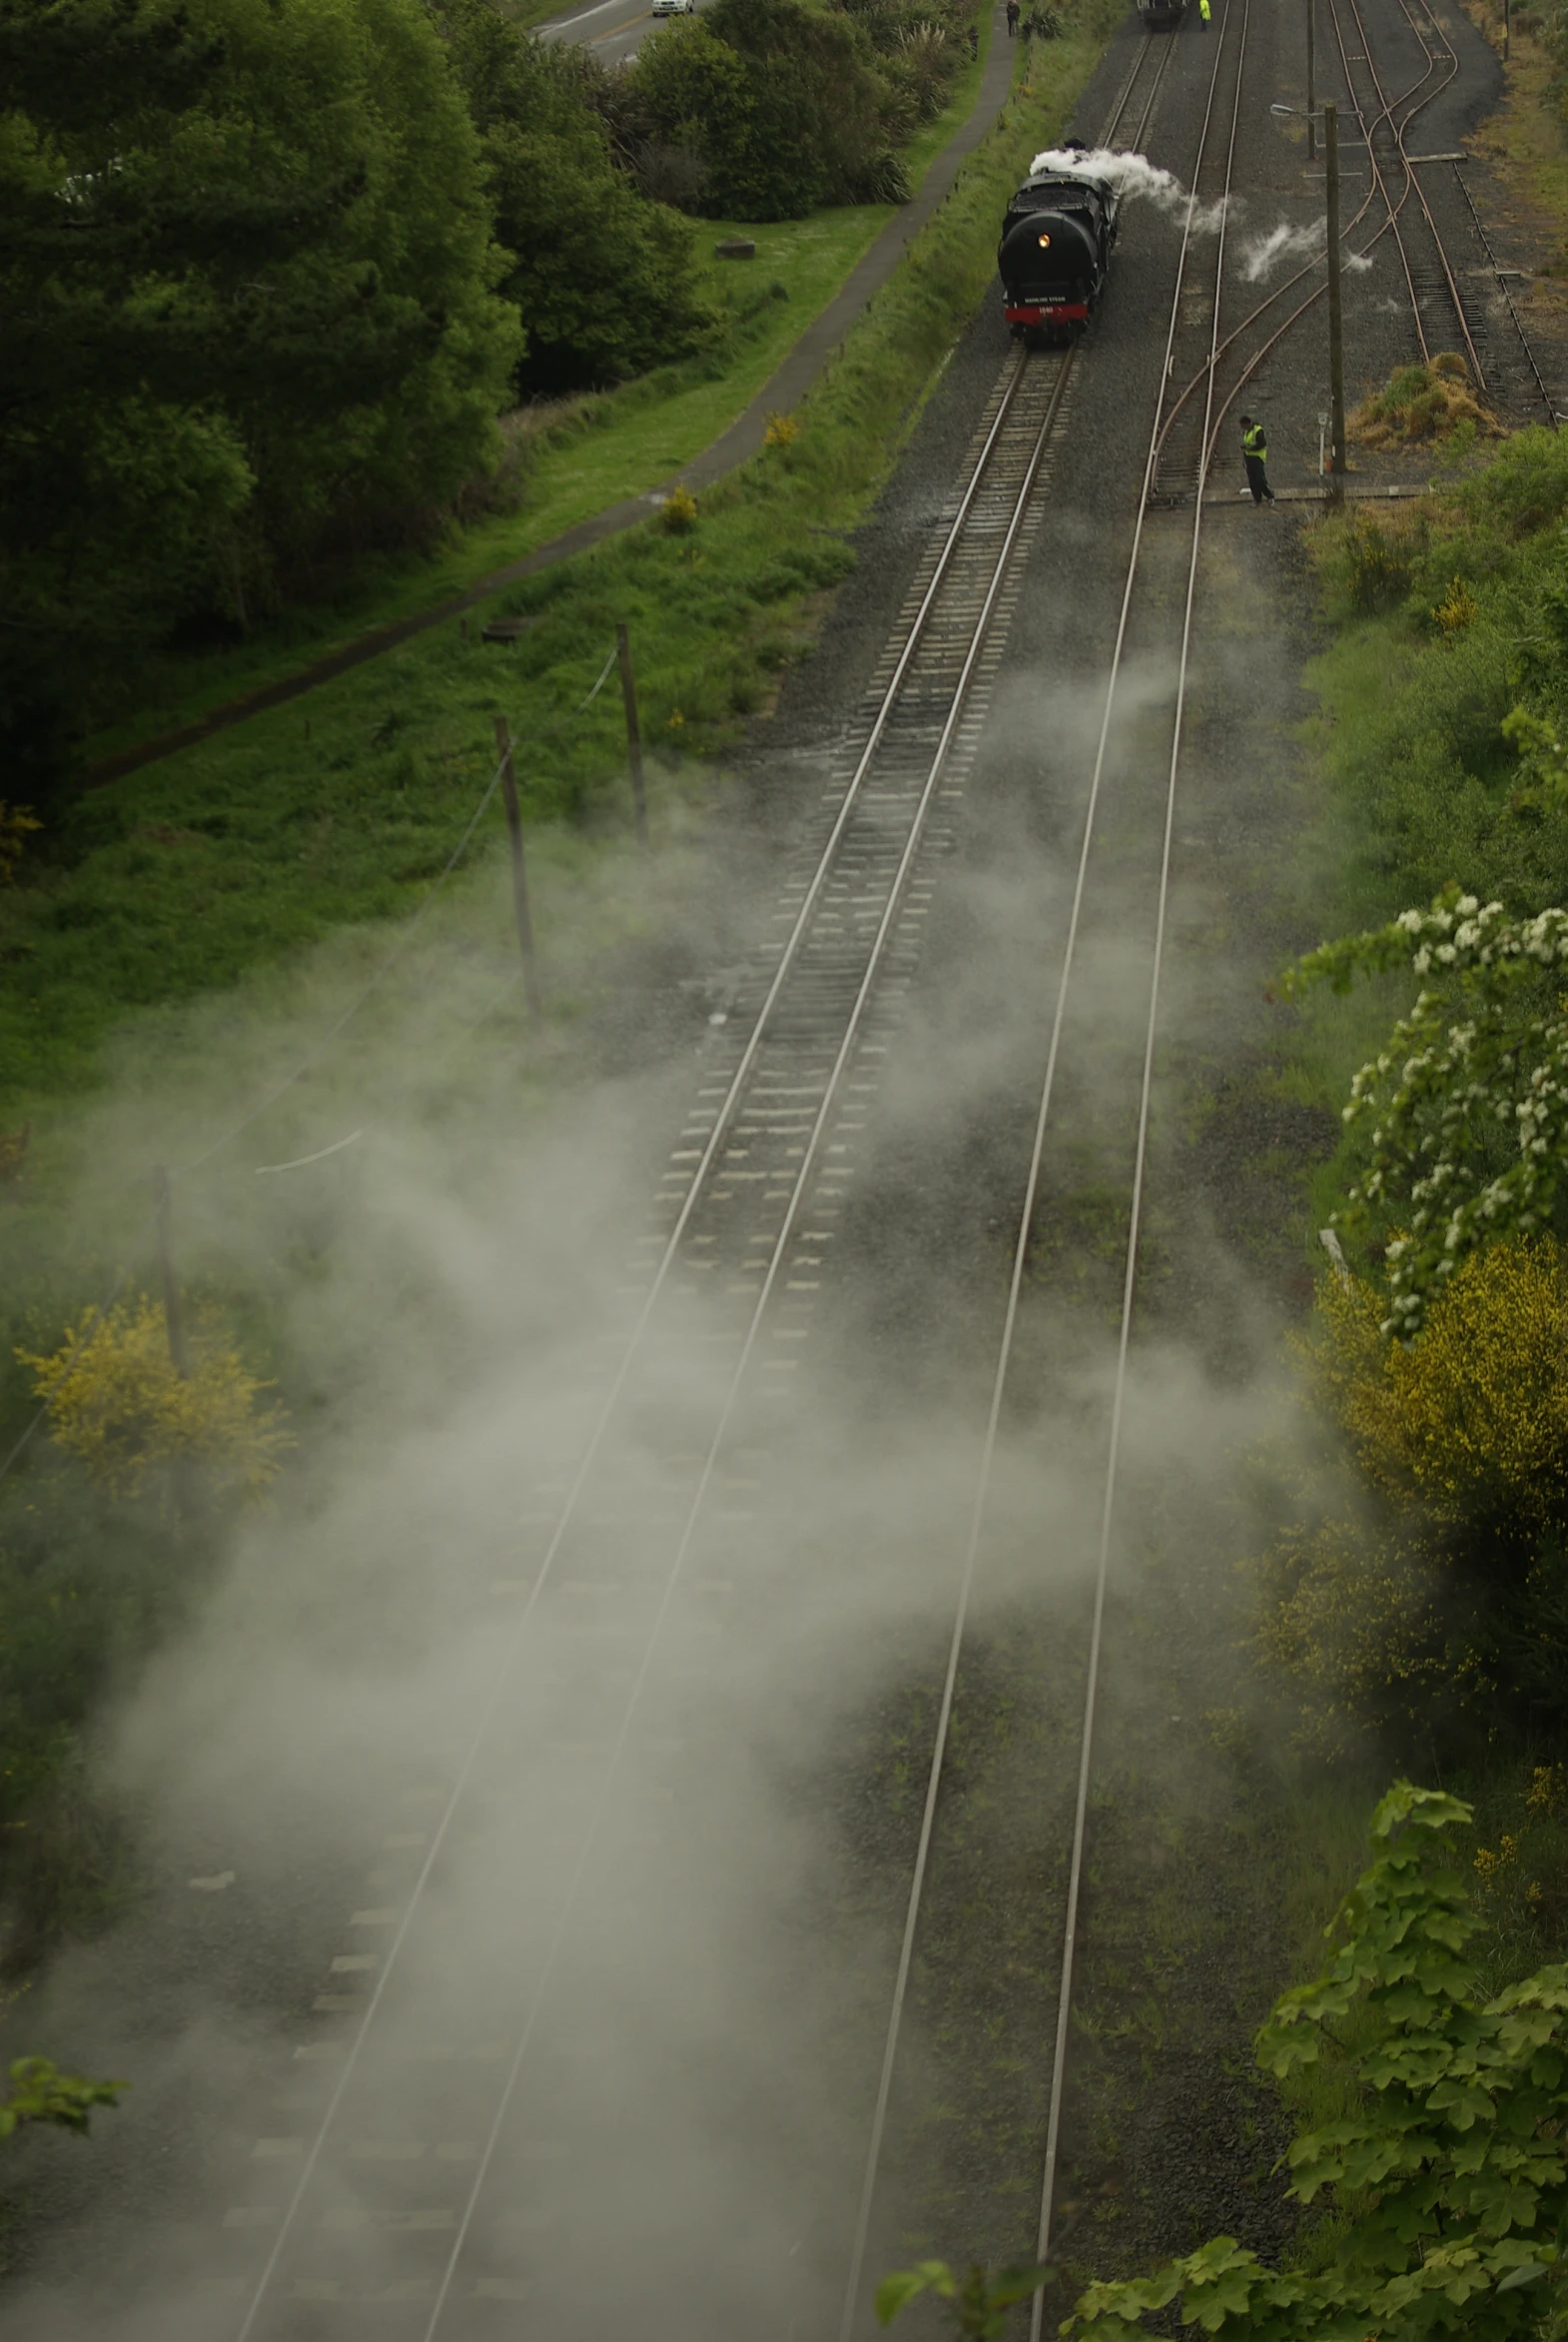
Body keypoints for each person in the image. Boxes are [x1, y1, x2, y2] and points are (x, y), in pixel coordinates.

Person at [1238, 412, 1276, 504]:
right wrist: (1244, 457)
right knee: (1252, 481)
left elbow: (1262, 443)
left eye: (1243, 426)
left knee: (1260, 480)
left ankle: (1270, 496)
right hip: (1249, 459)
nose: (1242, 428)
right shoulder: (1247, 432)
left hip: (1258, 458)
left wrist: (1250, 448)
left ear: (1247, 424)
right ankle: (1257, 499)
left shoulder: (1258, 430)